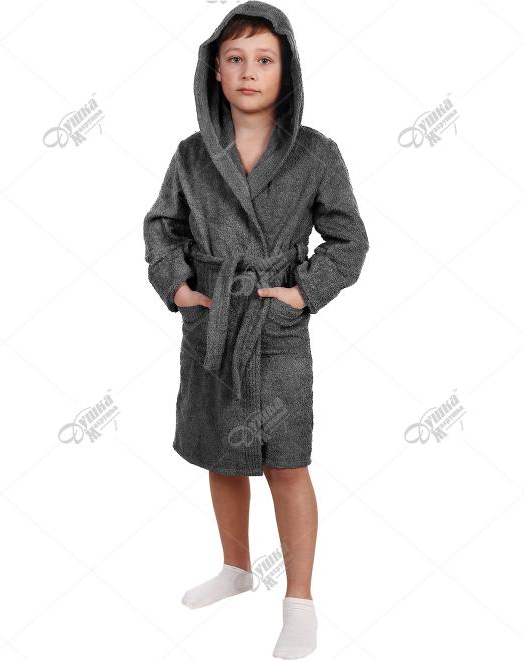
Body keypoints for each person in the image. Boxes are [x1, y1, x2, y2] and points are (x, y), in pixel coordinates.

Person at [143, 2, 370, 657]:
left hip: (275, 329)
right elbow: (161, 226)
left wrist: (302, 294)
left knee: (287, 463)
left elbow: (348, 239)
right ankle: (236, 568)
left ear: (285, 70)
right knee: (220, 451)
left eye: (264, 60)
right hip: (212, 322)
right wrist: (179, 288)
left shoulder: (315, 153)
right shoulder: (191, 155)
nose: (249, 72)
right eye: (235, 59)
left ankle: (299, 602)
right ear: (213, 72)